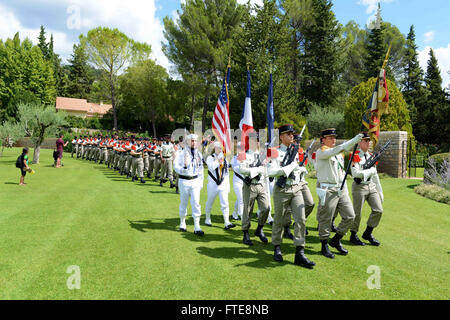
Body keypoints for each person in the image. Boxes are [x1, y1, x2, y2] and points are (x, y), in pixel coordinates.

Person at [267, 124, 315, 268]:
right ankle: (277, 246)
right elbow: (271, 172)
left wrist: (300, 169)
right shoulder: (274, 152)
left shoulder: (295, 150)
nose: (291, 136)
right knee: (279, 220)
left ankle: (299, 253)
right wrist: (289, 168)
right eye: (288, 134)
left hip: (296, 187)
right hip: (282, 189)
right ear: (281, 137)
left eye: (292, 134)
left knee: (300, 219)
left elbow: (296, 167)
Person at [315, 128, 363, 259]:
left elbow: (340, 170)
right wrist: (354, 140)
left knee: (350, 216)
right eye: (330, 138)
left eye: (334, 137)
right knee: (326, 218)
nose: (333, 139)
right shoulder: (322, 152)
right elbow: (335, 150)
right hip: (328, 189)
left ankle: (336, 239)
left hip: (340, 188)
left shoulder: (338, 154)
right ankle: (324, 244)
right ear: (323, 140)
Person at [350, 132, 383, 246]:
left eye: (369, 140)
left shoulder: (371, 156)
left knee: (378, 210)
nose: (369, 142)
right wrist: (370, 171)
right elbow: (356, 174)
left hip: (371, 185)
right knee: (357, 213)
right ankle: (353, 234)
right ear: (360, 142)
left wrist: (380, 191)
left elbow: (375, 175)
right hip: (359, 187)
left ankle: (368, 233)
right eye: (366, 140)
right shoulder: (354, 155)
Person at [239, 132, 271, 246]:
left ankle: (259, 229)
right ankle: (245, 232)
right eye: (254, 140)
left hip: (261, 184)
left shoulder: (262, 155)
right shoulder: (244, 154)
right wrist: (256, 170)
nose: (256, 142)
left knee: (266, 208)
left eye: (257, 140)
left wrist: (267, 171)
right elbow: (241, 169)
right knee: (247, 210)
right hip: (250, 185)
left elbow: (266, 169)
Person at [173, 134, 205, 236]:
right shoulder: (180, 153)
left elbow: (201, 170)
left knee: (196, 203)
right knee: (184, 202)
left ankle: (197, 226)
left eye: (195, 141)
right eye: (192, 141)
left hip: (195, 181)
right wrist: (184, 168)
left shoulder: (198, 154)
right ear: (187, 142)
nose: (194, 142)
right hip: (184, 181)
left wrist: (200, 183)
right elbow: (175, 166)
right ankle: (182, 222)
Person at [204, 141, 236, 230]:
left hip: (223, 184)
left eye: (221, 148)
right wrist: (219, 161)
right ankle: (207, 218)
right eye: (218, 148)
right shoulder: (210, 158)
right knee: (210, 202)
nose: (220, 150)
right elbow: (211, 167)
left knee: (225, 203)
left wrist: (227, 186)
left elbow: (226, 173)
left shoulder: (224, 159)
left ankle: (227, 222)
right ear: (215, 148)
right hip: (212, 184)